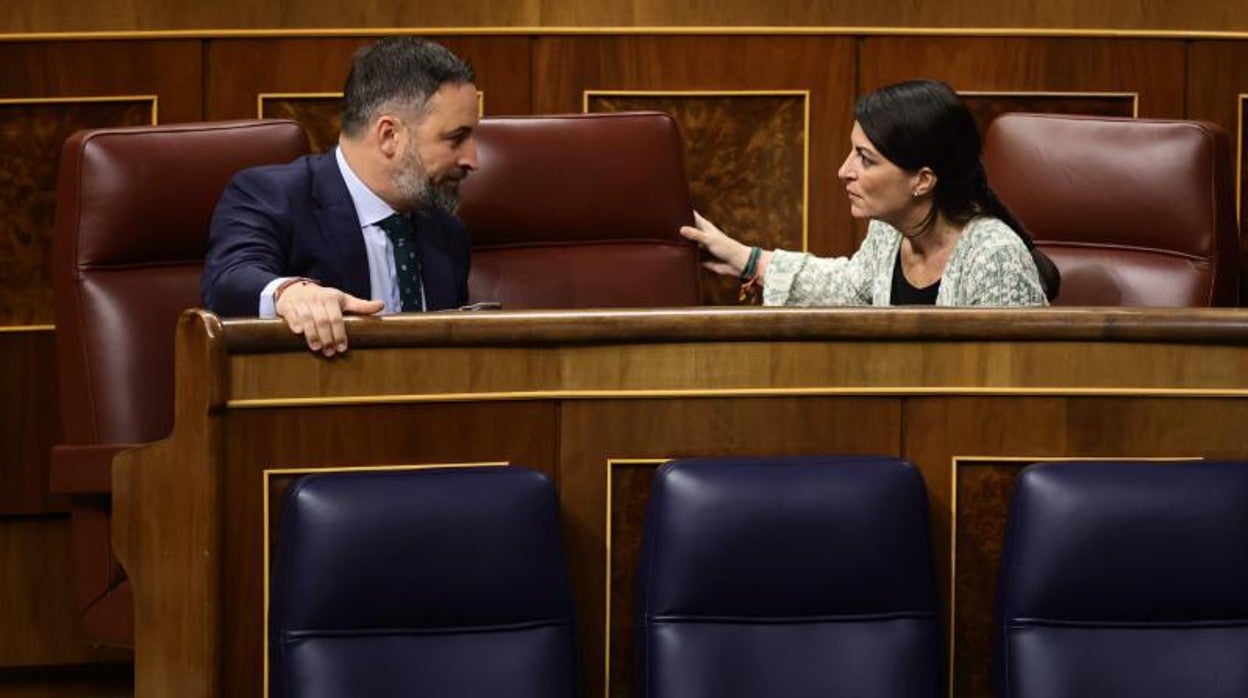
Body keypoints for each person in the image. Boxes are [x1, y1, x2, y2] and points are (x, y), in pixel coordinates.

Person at [201, 36, 480, 356]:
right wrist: (290, 293)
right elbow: (228, 281)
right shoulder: (275, 197)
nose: (473, 159)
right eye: (456, 138)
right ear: (390, 136)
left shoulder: (446, 231)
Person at [682, 79, 1059, 307]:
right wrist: (744, 259)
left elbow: (1011, 394)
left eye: (865, 159)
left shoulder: (995, 258)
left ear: (923, 180)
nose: (844, 171)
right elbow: (849, 287)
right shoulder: (892, 230)